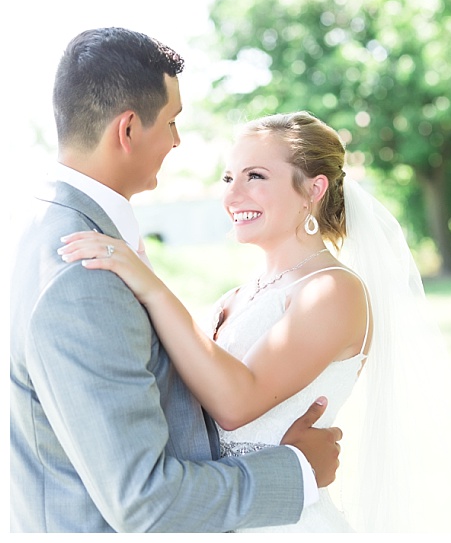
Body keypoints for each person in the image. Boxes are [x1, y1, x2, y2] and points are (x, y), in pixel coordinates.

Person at [10, 27, 341, 532]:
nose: (177, 140)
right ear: (127, 130)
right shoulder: (81, 269)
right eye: (171, 122)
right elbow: (146, 501)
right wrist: (297, 471)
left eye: (255, 176)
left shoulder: (56, 233)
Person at [60, 111, 451, 532]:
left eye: (256, 177)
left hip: (284, 525)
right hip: (223, 510)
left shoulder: (332, 291)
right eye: (229, 179)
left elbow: (235, 404)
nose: (233, 196)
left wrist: (152, 287)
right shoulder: (237, 297)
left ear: (313, 189)